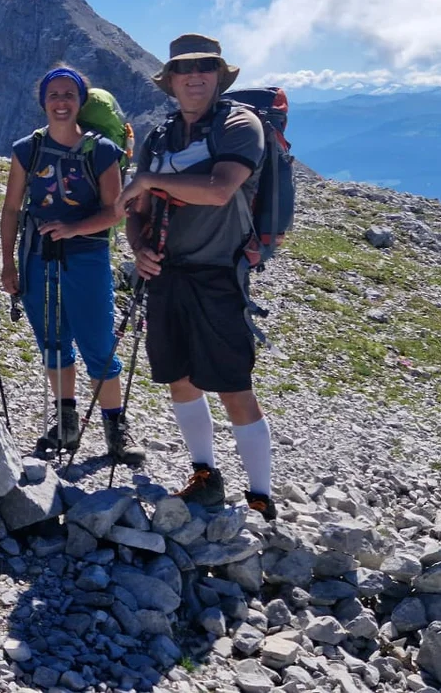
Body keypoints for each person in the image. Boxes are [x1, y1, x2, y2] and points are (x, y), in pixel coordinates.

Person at [117, 33, 276, 520]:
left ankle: (260, 495)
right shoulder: (161, 136)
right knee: (180, 378)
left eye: (206, 68)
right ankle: (205, 474)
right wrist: (139, 247)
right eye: (185, 70)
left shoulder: (240, 124)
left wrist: (147, 179)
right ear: (171, 82)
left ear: (218, 77)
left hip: (217, 274)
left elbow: (220, 190)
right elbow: (135, 211)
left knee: (232, 383)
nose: (195, 77)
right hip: (165, 273)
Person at [0, 66, 142, 465]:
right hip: (36, 257)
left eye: (68, 95)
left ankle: (115, 429)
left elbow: (116, 211)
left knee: (97, 343)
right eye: (54, 95)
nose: (61, 102)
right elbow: (11, 208)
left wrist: (74, 228)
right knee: (53, 341)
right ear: (43, 101)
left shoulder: (102, 151)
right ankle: (67, 423)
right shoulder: (26, 149)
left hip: (87, 257)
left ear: (80, 101)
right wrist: (8, 264)